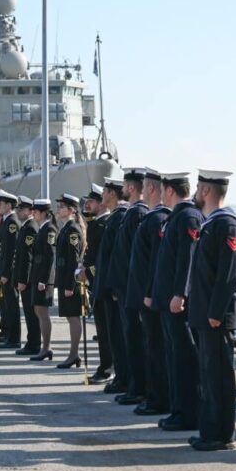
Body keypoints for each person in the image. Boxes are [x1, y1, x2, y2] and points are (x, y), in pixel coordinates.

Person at [187, 169, 236, 451]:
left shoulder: (227, 225)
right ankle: (210, 430)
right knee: (208, 374)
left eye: (199, 187)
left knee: (219, 375)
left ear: (207, 191)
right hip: (204, 314)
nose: (195, 192)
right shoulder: (211, 224)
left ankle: (222, 434)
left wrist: (215, 312)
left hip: (215, 317)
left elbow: (230, 273)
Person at [152, 172, 204, 432]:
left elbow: (188, 258)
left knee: (184, 358)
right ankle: (178, 409)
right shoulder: (176, 217)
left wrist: (180, 293)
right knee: (174, 356)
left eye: (162, 189)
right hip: (167, 301)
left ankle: (188, 412)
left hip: (177, 303)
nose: (160, 194)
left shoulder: (188, 217)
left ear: (170, 190)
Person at [128, 171, 172, 416]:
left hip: (152, 296)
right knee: (151, 346)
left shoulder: (157, 220)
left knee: (156, 348)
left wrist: (148, 292)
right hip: (147, 294)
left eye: (145, 186)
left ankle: (158, 398)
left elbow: (155, 263)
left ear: (152, 189)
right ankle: (153, 395)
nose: (142, 189)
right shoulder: (153, 219)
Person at [111, 168, 149, 405]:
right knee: (129, 338)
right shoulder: (132, 213)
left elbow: (136, 257)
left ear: (131, 187)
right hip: (125, 288)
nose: (121, 189)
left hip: (131, 289)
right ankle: (132, 384)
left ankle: (138, 387)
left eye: (124, 185)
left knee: (135, 339)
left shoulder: (138, 214)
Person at [95, 178, 131, 395]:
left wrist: (113, 287)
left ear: (112, 193)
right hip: (108, 287)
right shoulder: (115, 218)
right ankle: (122, 376)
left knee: (118, 336)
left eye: (105, 191)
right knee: (114, 335)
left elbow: (118, 258)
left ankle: (123, 377)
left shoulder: (119, 218)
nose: (102, 196)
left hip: (113, 289)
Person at [80, 183, 115, 384]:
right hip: (96, 283)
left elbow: (103, 261)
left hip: (102, 284)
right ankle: (105, 365)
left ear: (101, 204)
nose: (87, 206)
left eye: (91, 202)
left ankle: (107, 368)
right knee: (101, 329)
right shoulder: (96, 224)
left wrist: (88, 272)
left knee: (106, 330)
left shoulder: (103, 225)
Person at [53, 193, 86, 368]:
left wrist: (70, 285)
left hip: (69, 282)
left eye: (61, 207)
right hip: (65, 280)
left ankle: (74, 354)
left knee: (73, 318)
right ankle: (73, 354)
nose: (58, 209)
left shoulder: (72, 229)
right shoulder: (66, 228)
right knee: (70, 317)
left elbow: (73, 260)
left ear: (71, 210)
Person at [27, 198, 57, 361]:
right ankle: (44, 347)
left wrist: (43, 281)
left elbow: (49, 256)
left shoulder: (49, 229)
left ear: (43, 213)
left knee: (42, 312)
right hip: (38, 276)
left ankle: (46, 347)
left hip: (44, 279)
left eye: (36, 212)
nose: (33, 214)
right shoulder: (42, 228)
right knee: (39, 311)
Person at [12, 197, 42, 356]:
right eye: (17, 209)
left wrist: (23, 279)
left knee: (31, 314)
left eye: (21, 209)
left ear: (30, 211)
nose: (18, 212)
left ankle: (34, 343)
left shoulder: (30, 228)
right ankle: (31, 342)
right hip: (24, 279)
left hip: (28, 281)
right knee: (29, 313)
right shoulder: (25, 227)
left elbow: (28, 257)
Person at [0, 191, 21, 349]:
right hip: (2, 271)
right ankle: (9, 335)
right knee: (6, 304)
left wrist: (5, 273)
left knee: (11, 305)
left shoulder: (11, 223)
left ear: (9, 205)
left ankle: (14, 338)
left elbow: (10, 251)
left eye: (1, 203)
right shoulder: (5, 221)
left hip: (7, 273)